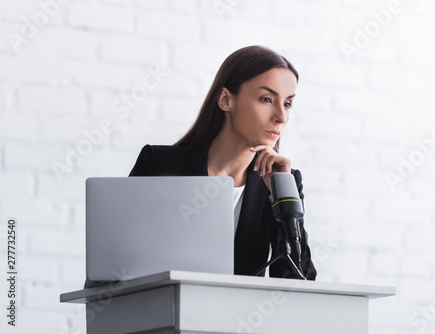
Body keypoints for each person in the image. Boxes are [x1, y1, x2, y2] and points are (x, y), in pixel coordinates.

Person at [84, 45, 316, 288]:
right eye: (267, 99)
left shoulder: (282, 181)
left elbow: (299, 283)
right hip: (163, 318)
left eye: (288, 103)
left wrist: (283, 195)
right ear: (226, 100)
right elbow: (109, 272)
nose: (281, 116)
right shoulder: (160, 164)